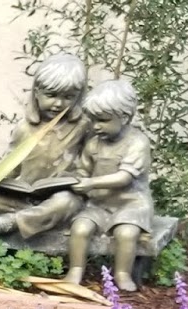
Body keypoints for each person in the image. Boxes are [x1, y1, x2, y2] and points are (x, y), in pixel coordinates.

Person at [0, 53, 89, 240]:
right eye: (51, 95)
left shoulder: (83, 127)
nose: (58, 104)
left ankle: (15, 221)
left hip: (63, 195)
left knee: (65, 202)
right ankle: (40, 217)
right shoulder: (24, 129)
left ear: (78, 97)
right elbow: (11, 166)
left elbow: (90, 163)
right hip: (28, 196)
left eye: (68, 97)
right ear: (37, 92)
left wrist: (79, 179)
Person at [63, 79, 154, 292]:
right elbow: (84, 169)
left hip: (131, 204)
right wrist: (75, 179)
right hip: (98, 204)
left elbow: (124, 178)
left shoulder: (137, 142)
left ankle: (122, 273)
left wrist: (91, 183)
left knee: (126, 234)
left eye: (103, 120)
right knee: (80, 228)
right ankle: (76, 269)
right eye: (93, 120)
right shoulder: (94, 144)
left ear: (124, 117)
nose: (96, 126)